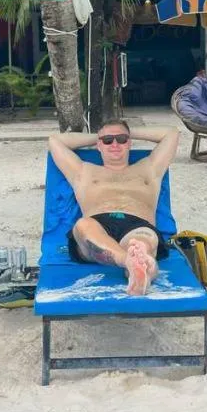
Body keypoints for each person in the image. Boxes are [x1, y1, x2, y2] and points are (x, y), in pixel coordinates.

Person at [47, 120, 179, 295]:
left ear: (129, 142)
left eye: (122, 139)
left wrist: (127, 132)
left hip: (138, 224)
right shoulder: (83, 172)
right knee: (83, 225)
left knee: (142, 241)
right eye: (108, 140)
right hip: (97, 225)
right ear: (99, 145)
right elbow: (55, 140)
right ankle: (132, 262)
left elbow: (172, 133)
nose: (115, 144)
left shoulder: (149, 168)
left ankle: (142, 264)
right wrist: (99, 136)